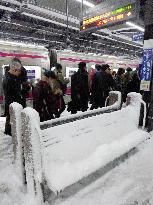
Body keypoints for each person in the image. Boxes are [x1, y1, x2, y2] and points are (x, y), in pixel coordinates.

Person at [3, 60, 23, 136]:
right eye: (19, 71)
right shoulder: (10, 79)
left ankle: (8, 132)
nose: (19, 73)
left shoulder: (9, 77)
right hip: (12, 102)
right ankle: (11, 133)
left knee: (9, 118)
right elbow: (13, 92)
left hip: (10, 102)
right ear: (15, 70)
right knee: (12, 119)